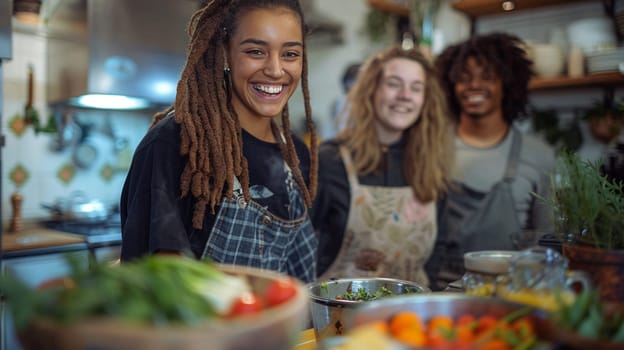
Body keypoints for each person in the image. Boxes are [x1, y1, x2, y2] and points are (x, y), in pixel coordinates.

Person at [120, 0, 319, 283]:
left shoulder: (296, 154)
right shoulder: (177, 143)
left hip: (284, 326)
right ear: (224, 51)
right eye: (255, 51)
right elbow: (153, 283)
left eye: (290, 54)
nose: (275, 70)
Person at [311, 45, 454, 286]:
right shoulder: (331, 160)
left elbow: (439, 253)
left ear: (425, 100)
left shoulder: (431, 164)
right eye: (394, 84)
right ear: (371, 90)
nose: (405, 95)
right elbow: (298, 249)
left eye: (416, 88)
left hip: (411, 319)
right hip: (341, 316)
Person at [429, 32, 556, 288]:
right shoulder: (430, 148)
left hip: (512, 292)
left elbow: (547, 240)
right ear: (450, 86)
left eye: (487, 77)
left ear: (507, 84)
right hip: (441, 290)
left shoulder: (538, 155)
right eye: (463, 78)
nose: (474, 85)